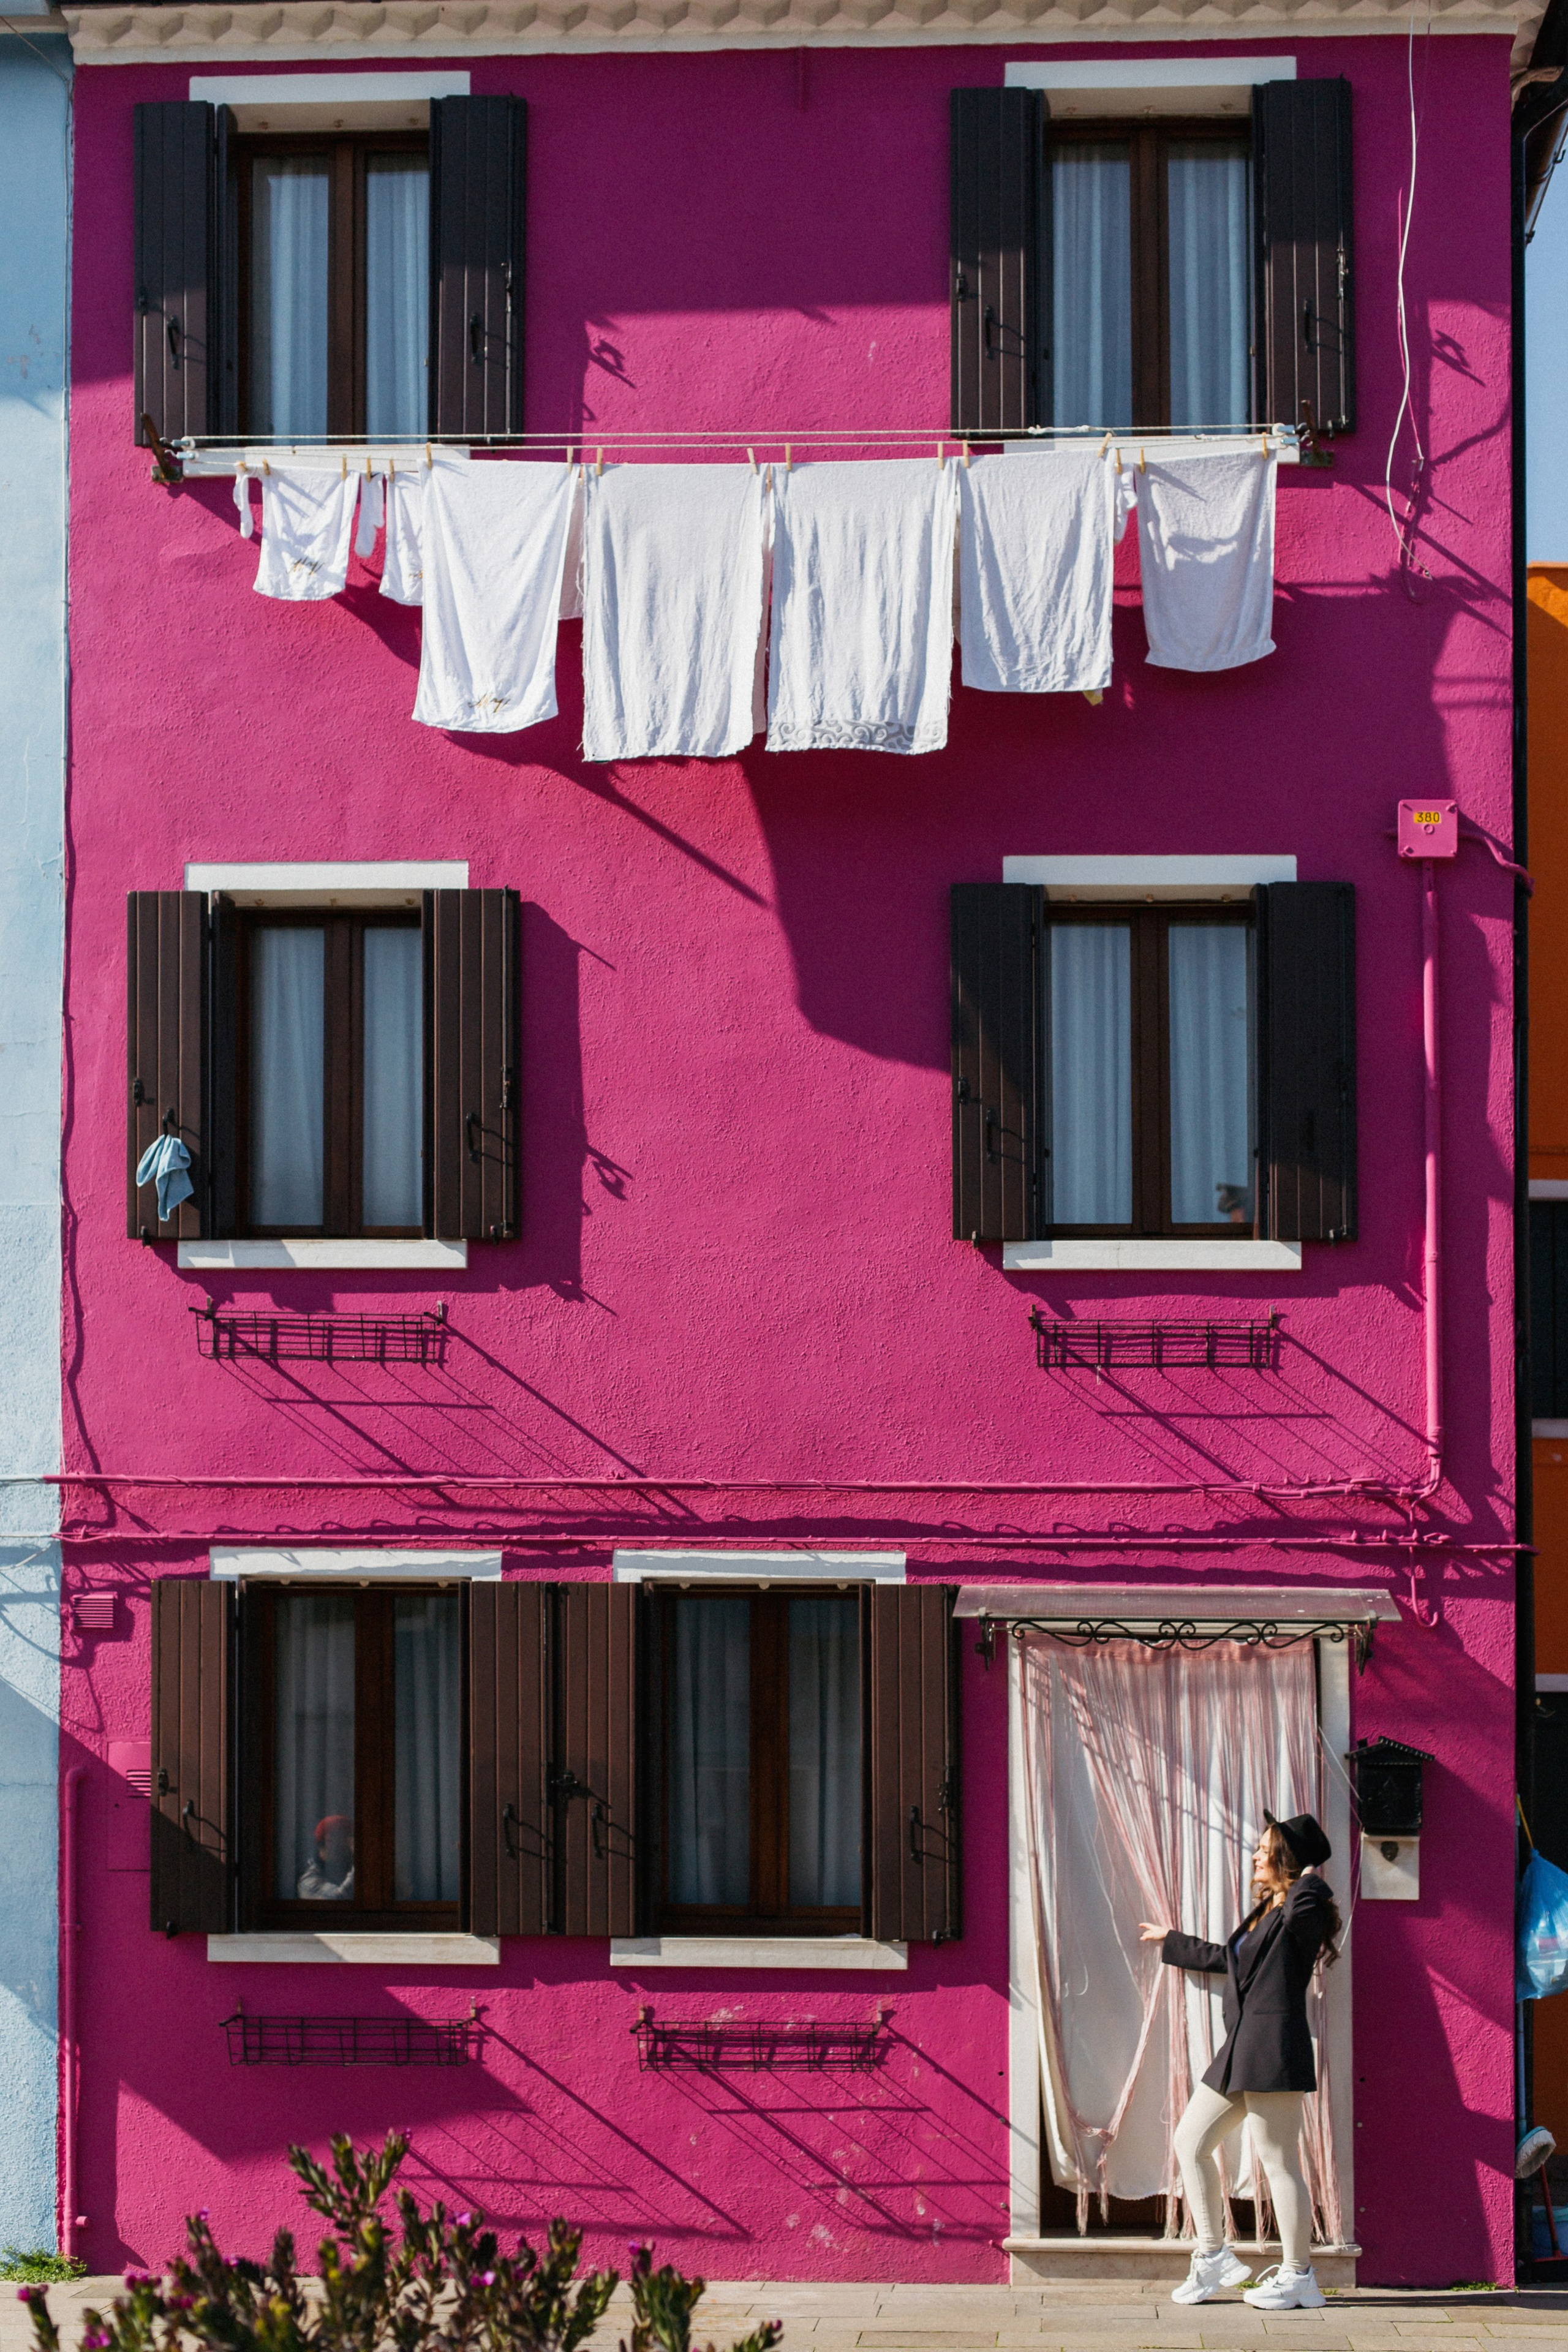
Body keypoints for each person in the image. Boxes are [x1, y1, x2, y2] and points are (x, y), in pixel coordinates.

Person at [1137, 1809, 1341, 2312]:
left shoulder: (1304, 1908)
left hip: (1273, 2048)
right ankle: (1213, 2256)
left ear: (1287, 1859)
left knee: (1278, 2161)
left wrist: (1308, 1874)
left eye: (1264, 1849)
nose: (1254, 1856)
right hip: (1242, 2047)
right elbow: (1228, 1961)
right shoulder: (1267, 1913)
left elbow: (1305, 1906)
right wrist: (1172, 1941)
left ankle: (1299, 2275)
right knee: (1191, 2142)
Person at [298, 1813, 355, 1901]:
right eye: (343, 1840)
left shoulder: (346, 1870)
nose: (349, 1847)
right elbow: (339, 1899)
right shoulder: (309, 1882)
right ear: (327, 1843)